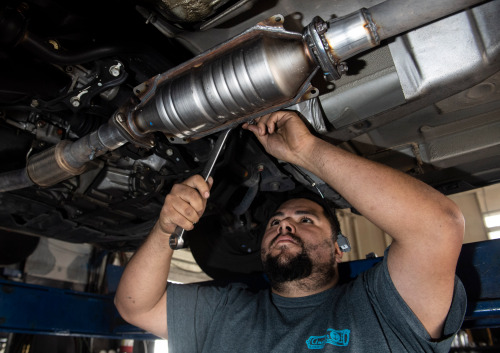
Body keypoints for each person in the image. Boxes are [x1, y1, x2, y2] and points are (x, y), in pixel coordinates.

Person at [115, 111, 466, 352]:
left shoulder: (380, 308)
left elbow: (437, 227)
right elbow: (136, 306)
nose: (285, 223)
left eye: (306, 220)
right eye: (276, 221)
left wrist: (306, 151)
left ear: (338, 249)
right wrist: (164, 230)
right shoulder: (226, 312)